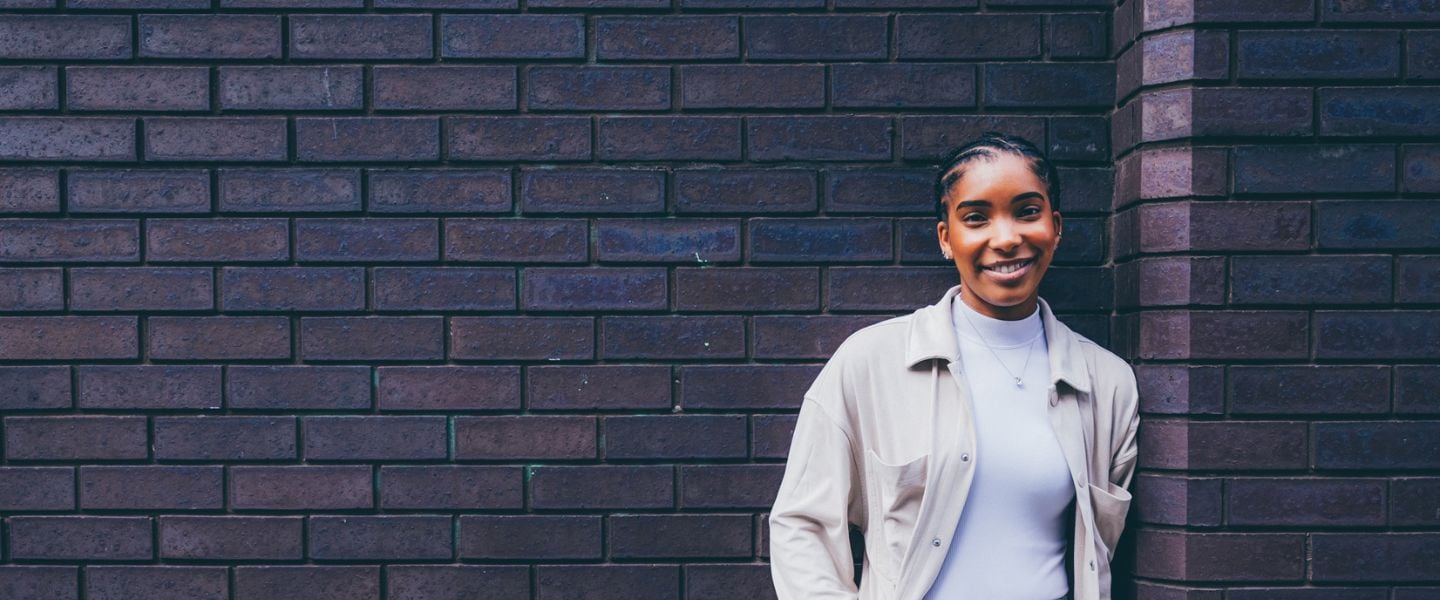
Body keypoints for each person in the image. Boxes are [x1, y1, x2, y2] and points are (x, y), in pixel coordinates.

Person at [768, 132, 1140, 600]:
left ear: (1056, 226)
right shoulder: (871, 362)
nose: (1006, 239)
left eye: (1027, 212)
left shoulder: (1106, 383)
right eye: (976, 218)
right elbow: (802, 525)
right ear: (947, 237)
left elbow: (1098, 553)